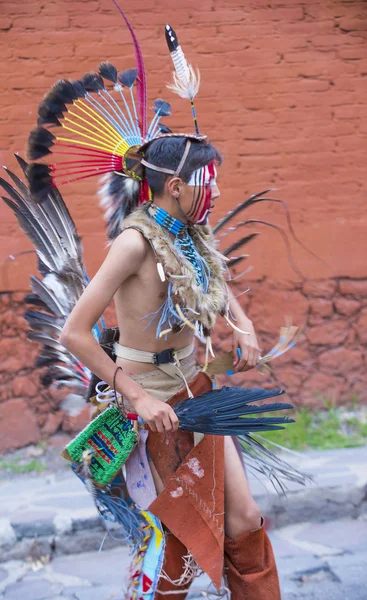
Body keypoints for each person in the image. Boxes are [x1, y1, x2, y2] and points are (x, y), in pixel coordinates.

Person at [60, 133, 282, 599]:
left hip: (195, 391)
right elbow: (74, 333)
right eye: (209, 181)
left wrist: (242, 324)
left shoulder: (191, 234)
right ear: (176, 186)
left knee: (244, 522)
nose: (218, 191)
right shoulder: (135, 244)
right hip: (151, 400)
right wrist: (138, 399)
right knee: (179, 541)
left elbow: (211, 282)